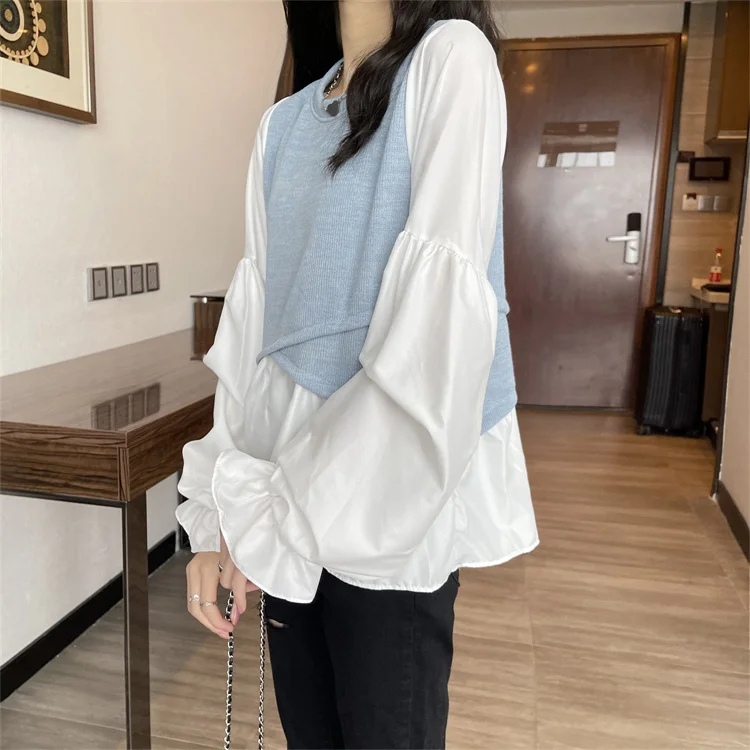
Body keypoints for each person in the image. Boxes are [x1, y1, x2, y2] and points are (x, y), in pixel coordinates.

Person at [176, 1, 538, 747]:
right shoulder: (281, 127)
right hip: (282, 501)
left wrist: (276, 516)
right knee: (309, 733)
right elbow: (253, 345)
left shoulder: (450, 59)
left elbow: (438, 333)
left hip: (390, 508)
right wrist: (215, 518)